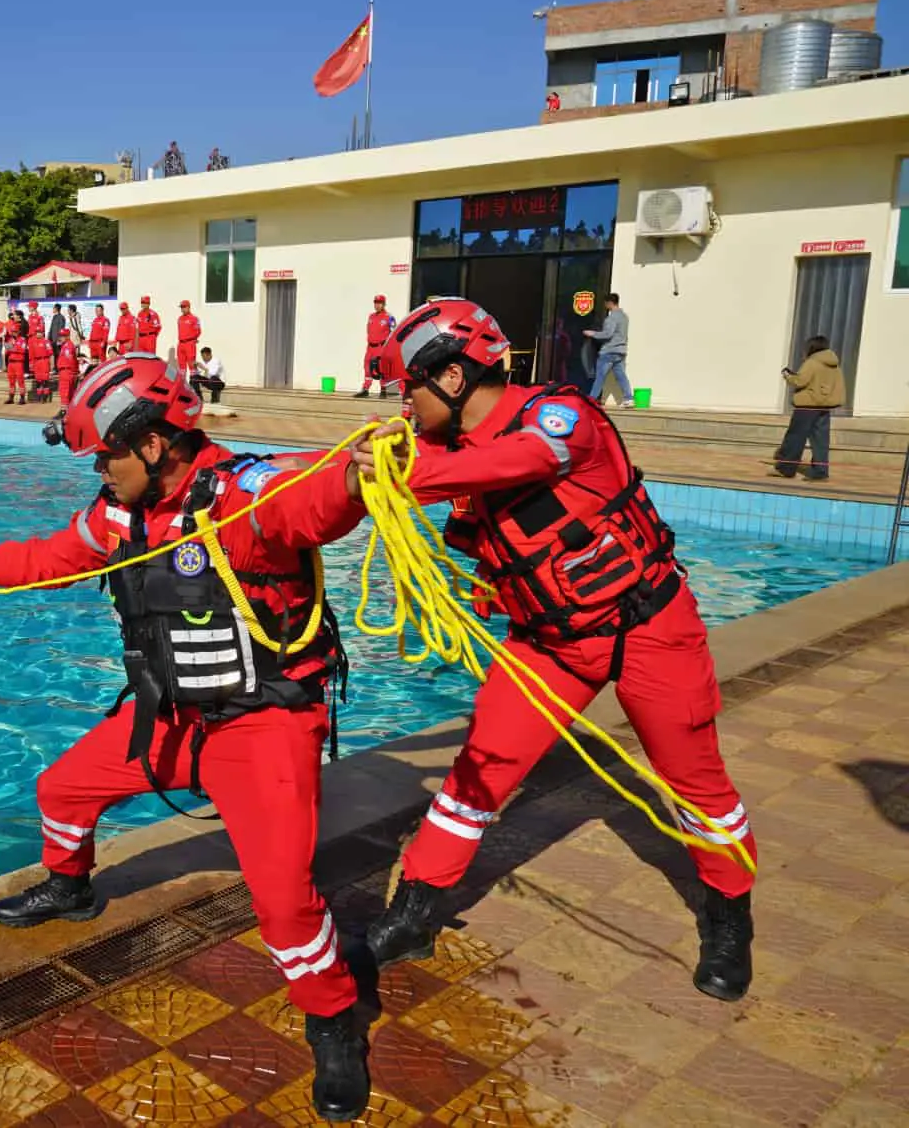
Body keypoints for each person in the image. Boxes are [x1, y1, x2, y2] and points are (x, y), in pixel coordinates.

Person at [0, 354, 373, 1121]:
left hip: (264, 726)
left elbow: (311, 505)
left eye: (105, 455)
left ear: (151, 444)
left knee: (283, 902)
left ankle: (334, 1015)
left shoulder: (242, 498)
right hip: (172, 716)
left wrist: (351, 476)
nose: (97, 472)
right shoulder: (121, 515)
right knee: (62, 788)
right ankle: (71, 886)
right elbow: (46, 557)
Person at [357, 297, 757, 1004]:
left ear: (451, 379)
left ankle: (728, 916)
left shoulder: (560, 418)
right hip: (548, 645)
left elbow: (525, 458)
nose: (403, 404)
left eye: (407, 388)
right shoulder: (446, 451)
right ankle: (414, 914)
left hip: (648, 631)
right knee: (476, 775)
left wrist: (405, 471)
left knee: (696, 783)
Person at [773, 335, 844, 482]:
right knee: (820, 441)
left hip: (807, 406)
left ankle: (786, 468)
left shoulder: (812, 362)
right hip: (824, 407)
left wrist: (788, 375)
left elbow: (801, 381)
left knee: (795, 437)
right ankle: (820, 471)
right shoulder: (834, 364)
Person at [582, 293, 633, 408]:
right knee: (621, 376)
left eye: (605, 303)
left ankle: (592, 400)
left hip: (609, 351)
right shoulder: (624, 317)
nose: (605, 306)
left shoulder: (612, 318)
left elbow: (607, 334)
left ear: (609, 303)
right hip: (620, 351)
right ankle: (628, 398)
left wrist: (592, 333)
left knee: (600, 376)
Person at [354, 295, 397, 399]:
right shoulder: (371, 317)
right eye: (376, 303)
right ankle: (365, 389)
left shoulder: (389, 317)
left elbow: (393, 332)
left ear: (384, 304)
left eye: (380, 303)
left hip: (381, 347)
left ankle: (383, 390)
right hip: (370, 347)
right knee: (367, 367)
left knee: (380, 367)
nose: (377, 305)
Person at [2, 312, 29, 405]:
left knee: (20, 380)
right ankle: (11, 397)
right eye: (12, 332)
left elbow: (22, 350)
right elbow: (7, 350)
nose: (13, 333)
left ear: (18, 332)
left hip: (18, 362)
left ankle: (22, 398)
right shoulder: (10, 339)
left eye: (15, 332)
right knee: (11, 380)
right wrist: (11, 348)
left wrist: (12, 348)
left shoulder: (22, 339)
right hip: (11, 363)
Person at [28, 321, 54, 404]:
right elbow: (31, 354)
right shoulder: (33, 342)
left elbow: (50, 353)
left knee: (45, 380)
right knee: (38, 380)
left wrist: (52, 364)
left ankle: (45, 397)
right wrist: (31, 364)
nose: (38, 334)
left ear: (43, 333)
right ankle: (39, 397)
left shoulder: (46, 342)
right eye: (37, 332)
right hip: (37, 362)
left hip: (44, 361)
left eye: (40, 332)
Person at [175, 301, 201, 373]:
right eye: (181, 307)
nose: (182, 309)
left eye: (184, 307)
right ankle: (182, 383)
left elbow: (198, 331)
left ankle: (194, 383)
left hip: (189, 344)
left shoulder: (194, 318)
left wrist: (193, 340)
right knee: (181, 366)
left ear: (188, 307)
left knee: (192, 365)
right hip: (180, 344)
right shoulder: (180, 318)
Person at [55, 329, 79, 405]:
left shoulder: (68, 346)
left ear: (68, 336)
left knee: (64, 392)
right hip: (66, 371)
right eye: (60, 336)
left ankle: (64, 411)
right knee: (69, 393)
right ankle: (68, 411)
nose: (60, 338)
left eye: (63, 336)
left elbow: (70, 361)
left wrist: (73, 372)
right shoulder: (65, 345)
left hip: (66, 371)